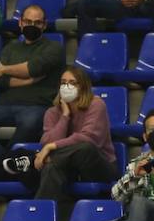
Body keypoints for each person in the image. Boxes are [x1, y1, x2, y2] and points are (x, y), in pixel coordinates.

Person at [0, 5, 66, 147]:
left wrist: (4, 70)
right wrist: (29, 81)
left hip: (38, 106)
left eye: (37, 23)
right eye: (28, 22)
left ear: (44, 25)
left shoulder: (54, 48)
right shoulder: (10, 48)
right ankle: (4, 160)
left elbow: (32, 69)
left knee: (30, 124)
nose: (32, 26)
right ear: (20, 23)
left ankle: (7, 162)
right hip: (6, 105)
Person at [20, 66, 118, 200]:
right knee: (50, 168)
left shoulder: (96, 104)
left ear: (83, 86)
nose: (67, 86)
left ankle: (40, 161)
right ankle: (41, 216)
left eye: (72, 83)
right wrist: (65, 116)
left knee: (85, 147)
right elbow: (47, 141)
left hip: (98, 165)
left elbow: (89, 138)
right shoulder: (52, 112)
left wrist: (51, 148)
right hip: (68, 166)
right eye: (63, 82)